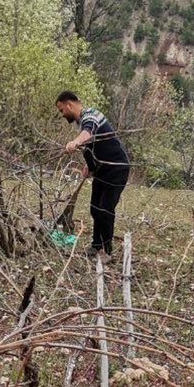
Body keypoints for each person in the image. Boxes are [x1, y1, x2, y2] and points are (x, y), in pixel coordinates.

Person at [56, 91, 130, 260]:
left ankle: (107, 251)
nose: (62, 115)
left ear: (69, 104)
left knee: (105, 209)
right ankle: (96, 246)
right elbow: (91, 145)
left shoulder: (90, 116)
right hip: (101, 170)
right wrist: (89, 166)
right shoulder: (81, 121)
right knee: (95, 208)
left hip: (117, 168)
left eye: (62, 110)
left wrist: (74, 142)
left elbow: (87, 134)